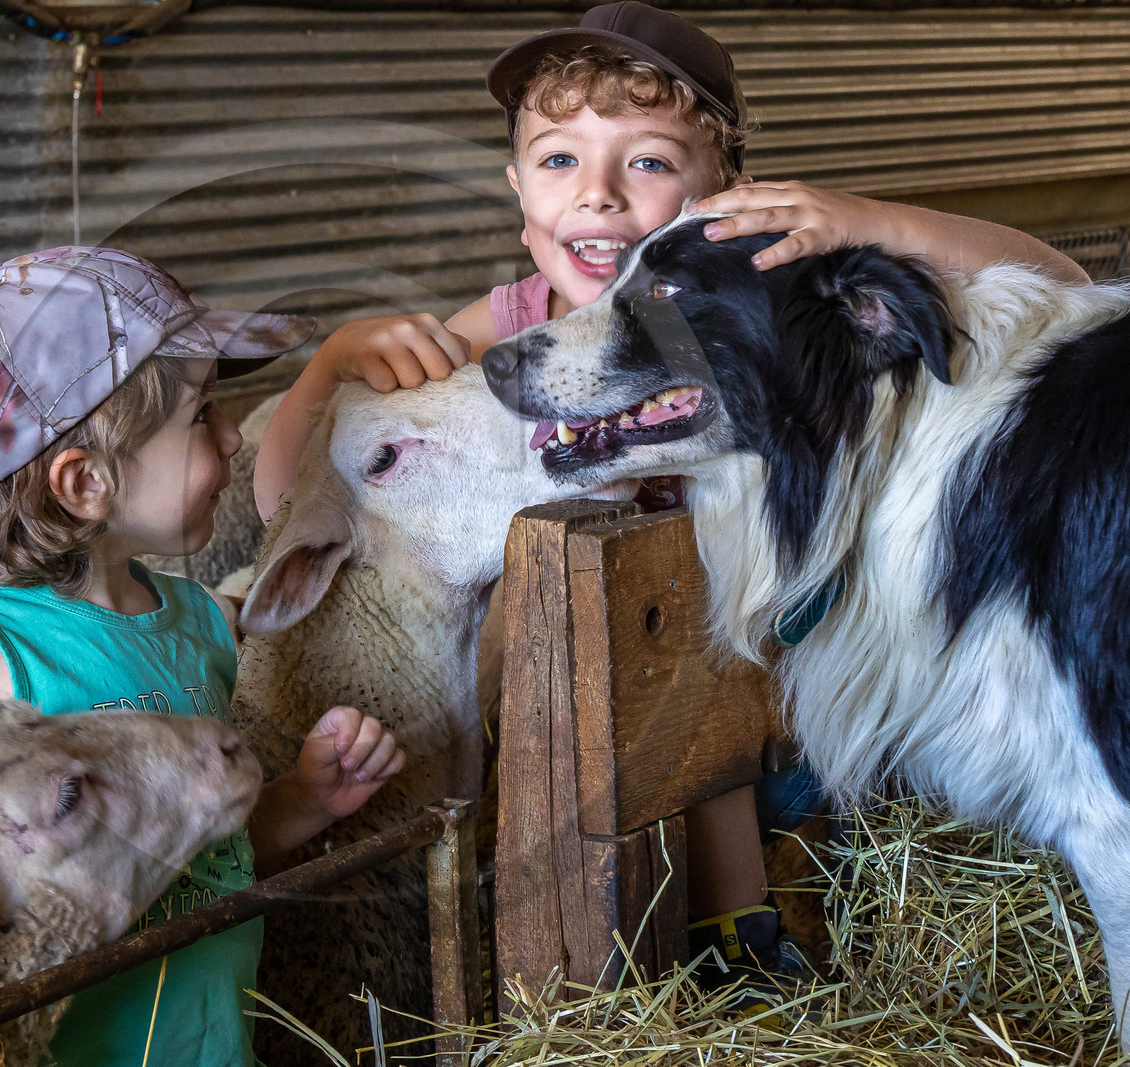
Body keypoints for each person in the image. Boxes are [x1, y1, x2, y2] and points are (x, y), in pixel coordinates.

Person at [251, 1, 1089, 1014]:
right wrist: (335, 361)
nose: (597, 196)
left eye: (645, 163)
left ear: (722, 198)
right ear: (517, 191)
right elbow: (297, 489)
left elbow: (1058, 279)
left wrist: (860, 223)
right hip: (569, 711)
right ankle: (570, 964)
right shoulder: (510, 331)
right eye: (558, 161)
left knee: (701, 662)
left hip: (774, 710)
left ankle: (746, 932)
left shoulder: (761, 305)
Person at [0, 246, 406, 1066]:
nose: (233, 438)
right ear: (84, 484)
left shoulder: (199, 626)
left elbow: (205, 846)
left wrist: (308, 799)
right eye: (203, 415)